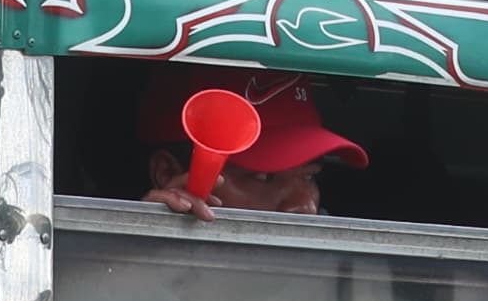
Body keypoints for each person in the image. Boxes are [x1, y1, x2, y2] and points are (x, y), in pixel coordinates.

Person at [142, 76, 368, 219]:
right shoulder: (127, 277)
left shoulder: (348, 274)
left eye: (309, 177)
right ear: (168, 173)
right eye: (265, 177)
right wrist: (143, 243)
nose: (305, 206)